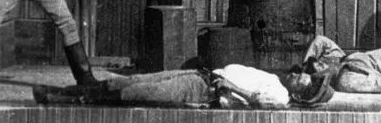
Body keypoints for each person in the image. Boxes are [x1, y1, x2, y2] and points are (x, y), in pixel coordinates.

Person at [32, 63, 334, 108]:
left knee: (135, 93)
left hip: (204, 91)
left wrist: (227, 84)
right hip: (202, 75)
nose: (300, 73)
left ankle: (62, 101)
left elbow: (255, 100)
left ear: (301, 92)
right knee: (129, 80)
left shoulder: (280, 96)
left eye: (304, 78)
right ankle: (62, 91)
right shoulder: (278, 79)